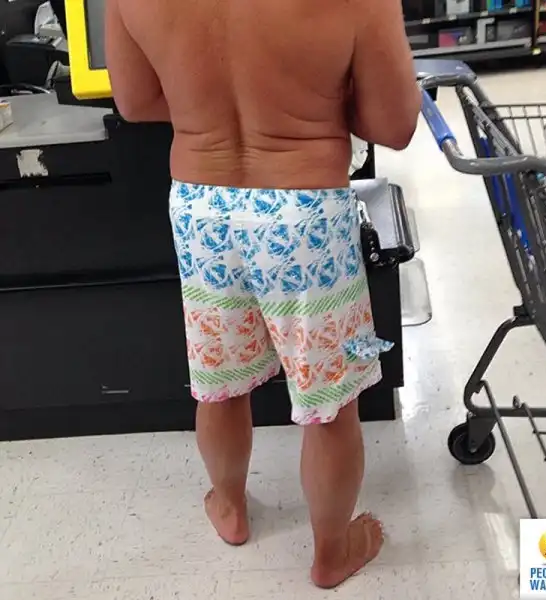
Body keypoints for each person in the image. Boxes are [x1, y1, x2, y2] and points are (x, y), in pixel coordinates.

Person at [105, 0, 420, 588]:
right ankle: (332, 553)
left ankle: (229, 508)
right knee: (329, 398)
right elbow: (394, 124)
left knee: (220, 378)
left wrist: (208, 108)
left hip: (201, 205)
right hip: (304, 209)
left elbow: (136, 101)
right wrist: (310, 104)